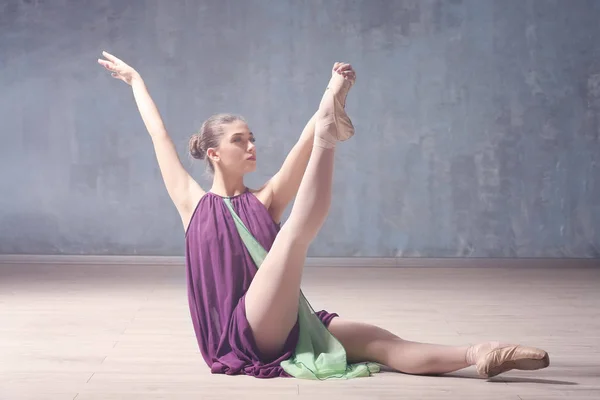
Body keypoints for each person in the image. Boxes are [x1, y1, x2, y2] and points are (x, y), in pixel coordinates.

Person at [97, 51, 550, 380]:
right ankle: (330, 136)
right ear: (213, 154)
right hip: (238, 334)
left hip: (284, 320)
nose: (252, 145)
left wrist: (332, 94)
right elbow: (158, 135)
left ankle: (480, 352)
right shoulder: (191, 203)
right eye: (240, 140)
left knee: (383, 342)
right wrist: (136, 81)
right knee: (293, 235)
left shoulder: (266, 198)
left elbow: (299, 144)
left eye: (252, 137)